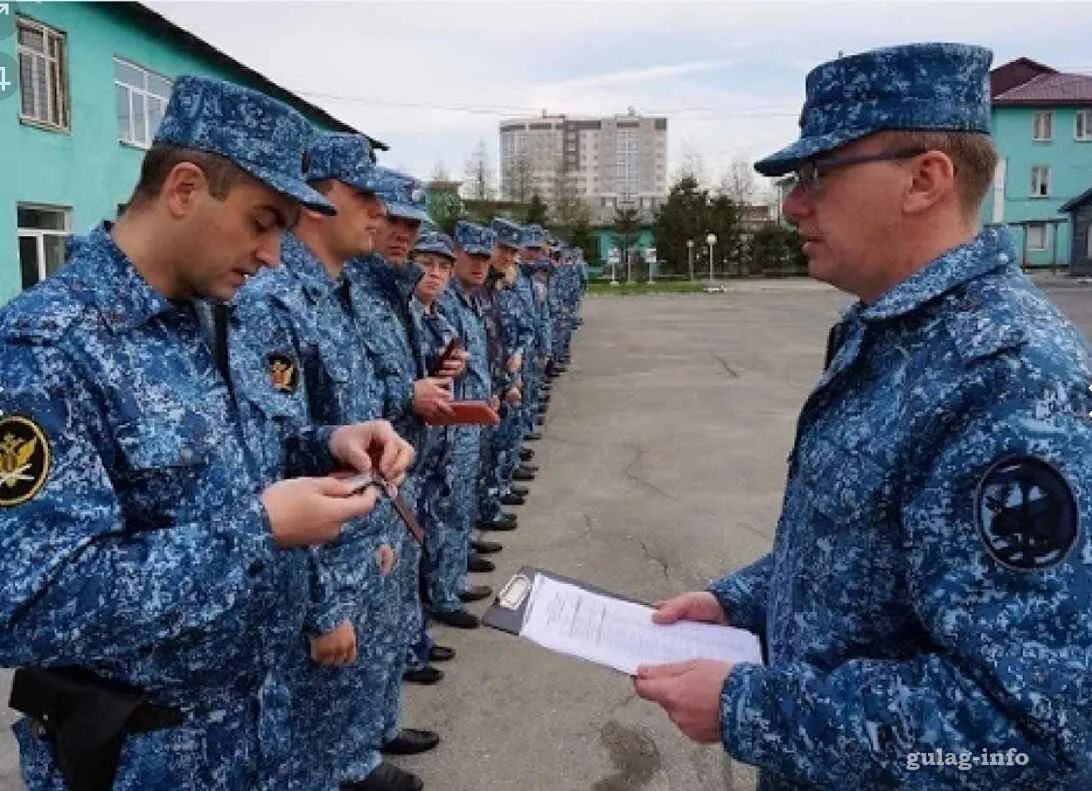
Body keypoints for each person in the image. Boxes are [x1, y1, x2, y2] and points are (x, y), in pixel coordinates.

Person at [634, 42, 1092, 789]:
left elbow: (1031, 733)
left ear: (926, 178)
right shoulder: (888, 331)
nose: (794, 204)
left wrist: (751, 708)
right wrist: (737, 602)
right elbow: (869, 549)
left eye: (819, 174)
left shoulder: (1007, 378)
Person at [0, 76, 409, 791]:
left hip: (264, 732)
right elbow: (30, 603)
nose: (274, 255)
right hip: (148, 757)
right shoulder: (47, 347)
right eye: (263, 221)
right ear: (185, 189)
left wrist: (331, 440)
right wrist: (256, 529)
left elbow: (242, 456)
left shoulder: (218, 314)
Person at [344, 169, 453, 770]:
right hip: (362, 482)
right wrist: (404, 392)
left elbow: (391, 376)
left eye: (413, 224)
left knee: (387, 617)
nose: (402, 235)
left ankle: (380, 728)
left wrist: (431, 373)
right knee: (360, 623)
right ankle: (355, 755)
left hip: (398, 475)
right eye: (393, 219)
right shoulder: (350, 293)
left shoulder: (391, 293)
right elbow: (346, 393)